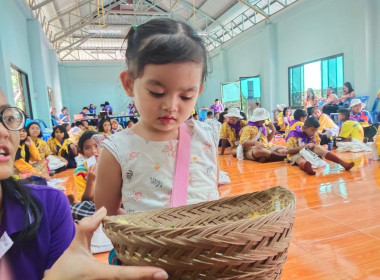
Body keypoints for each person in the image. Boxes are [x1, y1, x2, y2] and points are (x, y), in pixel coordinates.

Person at [0, 89, 169, 280]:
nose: (3, 131)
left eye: (6, 117)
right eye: (88, 147)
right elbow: (88, 198)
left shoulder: (49, 205)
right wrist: (92, 180)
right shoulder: (81, 168)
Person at [94, 18, 219, 217]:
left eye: (186, 96)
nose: (171, 106)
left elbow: (212, 192)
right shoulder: (117, 150)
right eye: (157, 92)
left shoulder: (205, 137)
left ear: (198, 92)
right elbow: (106, 214)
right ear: (128, 84)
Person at [286, 117, 354, 175]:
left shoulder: (314, 134)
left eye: (315, 131)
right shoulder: (293, 134)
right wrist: (303, 147)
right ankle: (306, 167)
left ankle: (343, 163)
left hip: (309, 151)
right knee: (298, 158)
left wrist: (313, 147)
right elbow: (288, 151)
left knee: (318, 147)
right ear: (305, 127)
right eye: (312, 130)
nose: (314, 133)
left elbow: (317, 144)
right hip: (296, 153)